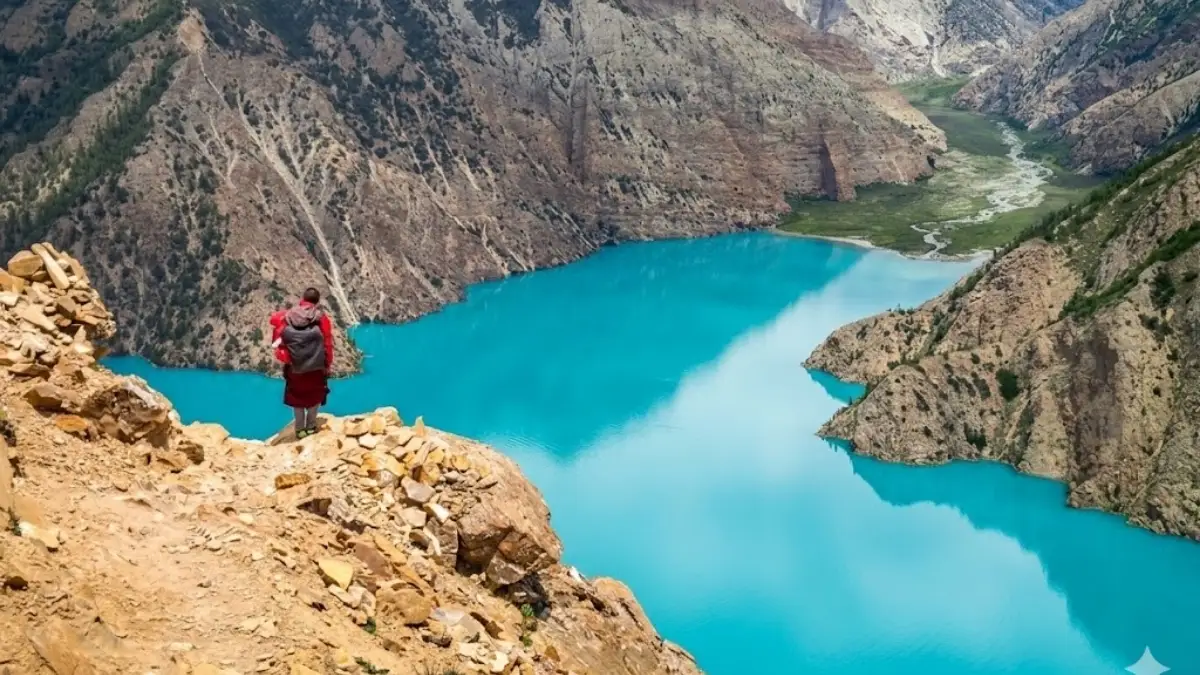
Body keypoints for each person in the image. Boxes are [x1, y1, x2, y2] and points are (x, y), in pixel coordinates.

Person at [269, 288, 334, 438]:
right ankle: (311, 426)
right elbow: (327, 343)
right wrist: (327, 364)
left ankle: (299, 430)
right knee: (315, 395)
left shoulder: (288, 315)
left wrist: (286, 357)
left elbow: (277, 333)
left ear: (302, 298)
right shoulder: (321, 318)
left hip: (295, 366)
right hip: (316, 366)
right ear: (317, 302)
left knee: (298, 396)